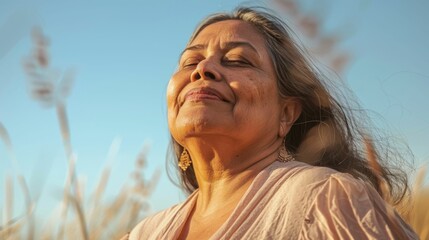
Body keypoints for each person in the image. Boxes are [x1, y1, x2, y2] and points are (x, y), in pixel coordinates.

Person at [123, 7, 418, 240]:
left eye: (238, 60)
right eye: (189, 62)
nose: (203, 68)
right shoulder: (142, 234)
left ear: (286, 114)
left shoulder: (327, 201)